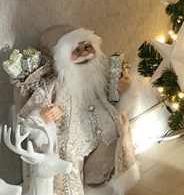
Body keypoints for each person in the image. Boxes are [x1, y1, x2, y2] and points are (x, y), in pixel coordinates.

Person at [17, 24, 139, 195]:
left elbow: (115, 101)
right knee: (69, 166)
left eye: (87, 47)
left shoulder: (101, 75)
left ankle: (100, 189)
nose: (84, 53)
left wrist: (124, 90)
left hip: (105, 136)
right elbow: (28, 117)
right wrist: (41, 118)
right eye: (76, 50)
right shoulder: (53, 86)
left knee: (115, 137)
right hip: (72, 141)